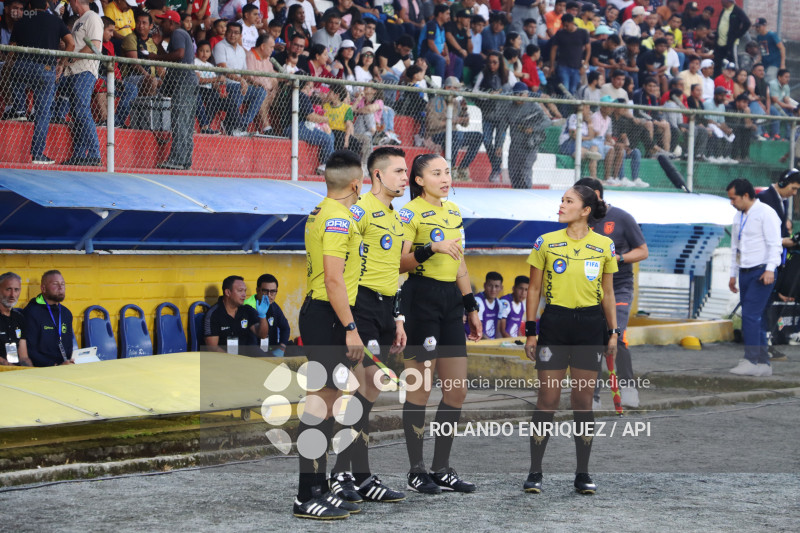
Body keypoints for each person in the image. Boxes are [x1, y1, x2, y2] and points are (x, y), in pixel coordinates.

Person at [522, 184, 618, 496]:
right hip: (555, 325)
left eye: (568, 201)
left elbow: (608, 293)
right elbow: (534, 290)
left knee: (582, 402)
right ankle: (535, 471)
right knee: (547, 400)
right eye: (561, 200)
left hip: (590, 326)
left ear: (586, 210)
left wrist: (613, 332)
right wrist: (531, 330)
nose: (561, 205)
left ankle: (583, 473)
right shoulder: (545, 242)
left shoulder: (604, 245)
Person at [326, 147, 409, 505]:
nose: (405, 177)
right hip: (360, 307)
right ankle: (341, 472)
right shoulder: (358, 212)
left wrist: (399, 316)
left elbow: (395, 271)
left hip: (384, 309)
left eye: (406, 171)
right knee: (364, 389)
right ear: (376, 175)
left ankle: (358, 473)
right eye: (398, 171)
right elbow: (339, 261)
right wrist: (348, 321)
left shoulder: (396, 217)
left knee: (370, 393)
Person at [399, 153, 481, 494]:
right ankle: (417, 470)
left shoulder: (454, 211)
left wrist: (470, 306)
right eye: (436, 173)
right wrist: (432, 247)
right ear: (419, 180)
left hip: (450, 301)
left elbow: (459, 261)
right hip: (421, 299)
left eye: (447, 171)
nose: (445, 177)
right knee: (420, 387)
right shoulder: (408, 213)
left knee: (456, 390)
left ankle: (442, 467)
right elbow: (400, 263)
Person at [293, 150, 364, 521]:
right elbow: (334, 278)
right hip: (328, 316)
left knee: (329, 403)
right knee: (319, 406)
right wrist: (351, 328)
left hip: (323, 314)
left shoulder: (323, 211)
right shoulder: (338, 219)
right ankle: (306, 495)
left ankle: (319, 487)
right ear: (356, 184)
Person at [576, 178, 648, 408]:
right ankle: (593, 397)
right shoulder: (582, 219)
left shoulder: (622, 218)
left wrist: (620, 258)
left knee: (617, 336)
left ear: (597, 194)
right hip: (592, 289)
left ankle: (628, 388)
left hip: (619, 288)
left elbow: (643, 251)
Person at [5, 0, 74, 164]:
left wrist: (10, 66)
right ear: (46, 7)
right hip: (46, 69)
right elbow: (71, 43)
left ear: (29, 7)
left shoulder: (21, 20)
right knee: (43, 114)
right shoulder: (56, 20)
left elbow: (12, 48)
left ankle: (20, 109)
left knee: (15, 74)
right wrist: (62, 63)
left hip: (22, 66)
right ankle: (37, 154)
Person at [727, 178, 781, 377]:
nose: (732, 202)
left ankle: (751, 359)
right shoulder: (738, 217)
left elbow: (775, 244)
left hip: (761, 271)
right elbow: (735, 247)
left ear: (746, 196)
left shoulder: (766, 213)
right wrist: (733, 274)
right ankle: (763, 363)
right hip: (745, 271)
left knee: (750, 316)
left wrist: (770, 269)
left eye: (734, 198)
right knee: (755, 318)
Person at [756, 168, 800, 360]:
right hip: (764, 263)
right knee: (761, 308)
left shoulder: (779, 201)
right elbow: (767, 236)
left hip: (772, 261)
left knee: (765, 306)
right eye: (793, 188)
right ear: (783, 183)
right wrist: (787, 241)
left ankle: (763, 346)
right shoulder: (767, 199)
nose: (795, 193)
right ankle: (761, 348)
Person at [149, 10, 198, 170]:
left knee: (179, 121)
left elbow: (179, 55)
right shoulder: (180, 35)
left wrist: (155, 58)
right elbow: (173, 55)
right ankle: (185, 161)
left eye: (163, 22)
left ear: (171, 22)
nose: (160, 25)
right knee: (186, 122)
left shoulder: (177, 32)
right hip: (187, 82)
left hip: (183, 82)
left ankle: (177, 160)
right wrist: (158, 46)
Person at [60, 0, 103, 167]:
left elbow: (94, 46)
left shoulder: (92, 17)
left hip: (84, 70)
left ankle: (94, 154)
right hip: (73, 70)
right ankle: (79, 154)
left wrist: (72, 58)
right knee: (77, 113)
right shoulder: (79, 20)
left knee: (81, 111)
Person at [425, 76, 484, 182]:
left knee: (478, 136)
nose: (457, 91)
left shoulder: (456, 103)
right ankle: (451, 169)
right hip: (437, 135)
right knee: (456, 134)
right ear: (447, 88)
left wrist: (464, 110)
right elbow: (432, 124)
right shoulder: (435, 102)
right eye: (455, 88)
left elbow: (465, 124)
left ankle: (462, 168)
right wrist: (453, 120)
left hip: (454, 135)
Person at [213, 21, 267, 136]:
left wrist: (253, 82)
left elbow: (244, 73)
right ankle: (231, 125)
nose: (233, 35)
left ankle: (242, 124)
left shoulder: (241, 50)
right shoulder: (220, 46)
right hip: (224, 85)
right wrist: (241, 81)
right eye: (230, 32)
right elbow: (223, 69)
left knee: (260, 91)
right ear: (226, 33)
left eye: (236, 33)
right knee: (238, 88)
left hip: (239, 85)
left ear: (240, 35)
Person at [473, 51, 516, 183]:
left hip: (503, 115)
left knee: (499, 144)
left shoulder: (508, 75)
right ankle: (496, 166)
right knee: (486, 140)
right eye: (490, 62)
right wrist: (488, 95)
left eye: (495, 62)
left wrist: (502, 94)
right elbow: (475, 91)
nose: (492, 65)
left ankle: (496, 171)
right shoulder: (483, 74)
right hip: (488, 114)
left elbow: (517, 91)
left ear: (500, 63)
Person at [203, 275, 269, 354]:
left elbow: (262, 335)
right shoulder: (213, 314)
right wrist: (234, 361)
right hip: (225, 359)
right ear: (228, 292)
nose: (244, 294)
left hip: (248, 356)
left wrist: (262, 316)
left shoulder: (247, 310)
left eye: (245, 291)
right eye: (240, 290)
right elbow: (212, 348)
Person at [23, 270, 75, 367]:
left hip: (64, 366)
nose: (60, 287)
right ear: (43, 288)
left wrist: (68, 361)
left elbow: (68, 346)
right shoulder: (31, 312)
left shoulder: (66, 313)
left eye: (63, 284)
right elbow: (29, 350)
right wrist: (54, 365)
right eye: (55, 284)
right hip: (43, 370)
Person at [507, 81, 550, 188]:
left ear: (526, 94)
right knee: (513, 170)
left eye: (521, 94)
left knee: (526, 168)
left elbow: (547, 121)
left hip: (530, 144)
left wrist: (533, 129)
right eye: (516, 94)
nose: (518, 97)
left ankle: (528, 192)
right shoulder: (509, 107)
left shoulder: (533, 105)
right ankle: (516, 191)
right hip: (515, 144)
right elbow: (503, 124)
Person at [244, 274, 291, 356]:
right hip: (253, 353)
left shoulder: (273, 305)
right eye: (265, 291)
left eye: (273, 291)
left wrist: (282, 348)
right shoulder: (248, 306)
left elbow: (285, 327)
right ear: (257, 290)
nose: (269, 295)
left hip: (271, 349)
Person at [549, 13, 590, 95]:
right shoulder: (560, 33)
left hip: (577, 67)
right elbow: (553, 49)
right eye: (564, 25)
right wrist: (552, 65)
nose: (565, 27)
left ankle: (568, 108)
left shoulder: (583, 33)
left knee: (573, 90)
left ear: (572, 22)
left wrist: (584, 65)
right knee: (565, 89)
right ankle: (564, 107)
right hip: (563, 65)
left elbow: (588, 49)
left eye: (566, 25)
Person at [0, 272, 32, 367]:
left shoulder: (19, 317)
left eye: (16, 290)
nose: (12, 294)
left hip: (16, 374)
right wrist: (8, 366)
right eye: (8, 289)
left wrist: (32, 372)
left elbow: (24, 357)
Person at [713, 0, 750, 78]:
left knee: (732, 63)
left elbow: (747, 23)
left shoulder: (737, 10)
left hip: (731, 43)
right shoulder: (724, 10)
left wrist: (737, 35)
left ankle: (736, 80)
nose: (721, 2)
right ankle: (717, 81)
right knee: (718, 63)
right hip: (720, 42)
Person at [474, 272, 510, 340]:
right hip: (477, 343)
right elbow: (478, 331)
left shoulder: (499, 304)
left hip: (490, 344)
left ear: (501, 288)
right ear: (484, 285)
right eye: (490, 285)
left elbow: (498, 331)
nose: (493, 289)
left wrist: (499, 344)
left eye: (496, 286)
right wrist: (492, 344)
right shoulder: (478, 301)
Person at [753, 17, 785, 83]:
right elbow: (761, 52)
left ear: (764, 26)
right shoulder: (759, 37)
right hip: (765, 64)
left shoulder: (771, 35)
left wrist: (782, 64)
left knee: (770, 79)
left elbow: (782, 48)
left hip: (774, 63)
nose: (757, 28)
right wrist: (755, 62)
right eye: (756, 27)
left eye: (759, 26)